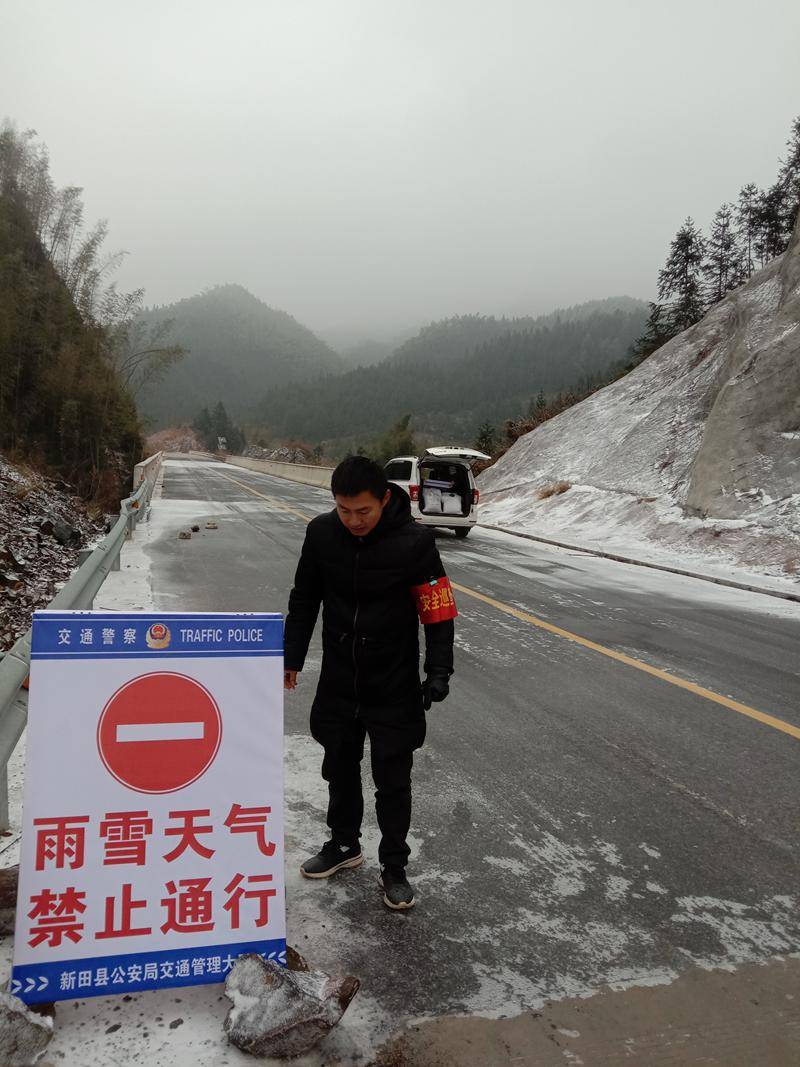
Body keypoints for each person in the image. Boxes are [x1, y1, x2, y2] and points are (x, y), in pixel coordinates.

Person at [284, 455, 456, 910]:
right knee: (338, 767)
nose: (354, 520)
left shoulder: (415, 543)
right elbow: (304, 599)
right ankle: (343, 845)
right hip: (341, 677)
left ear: (384, 499)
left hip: (393, 681)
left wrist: (438, 671)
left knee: (392, 779)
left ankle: (394, 866)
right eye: (344, 510)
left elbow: (437, 612)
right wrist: (291, 657)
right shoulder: (321, 533)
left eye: (363, 511)